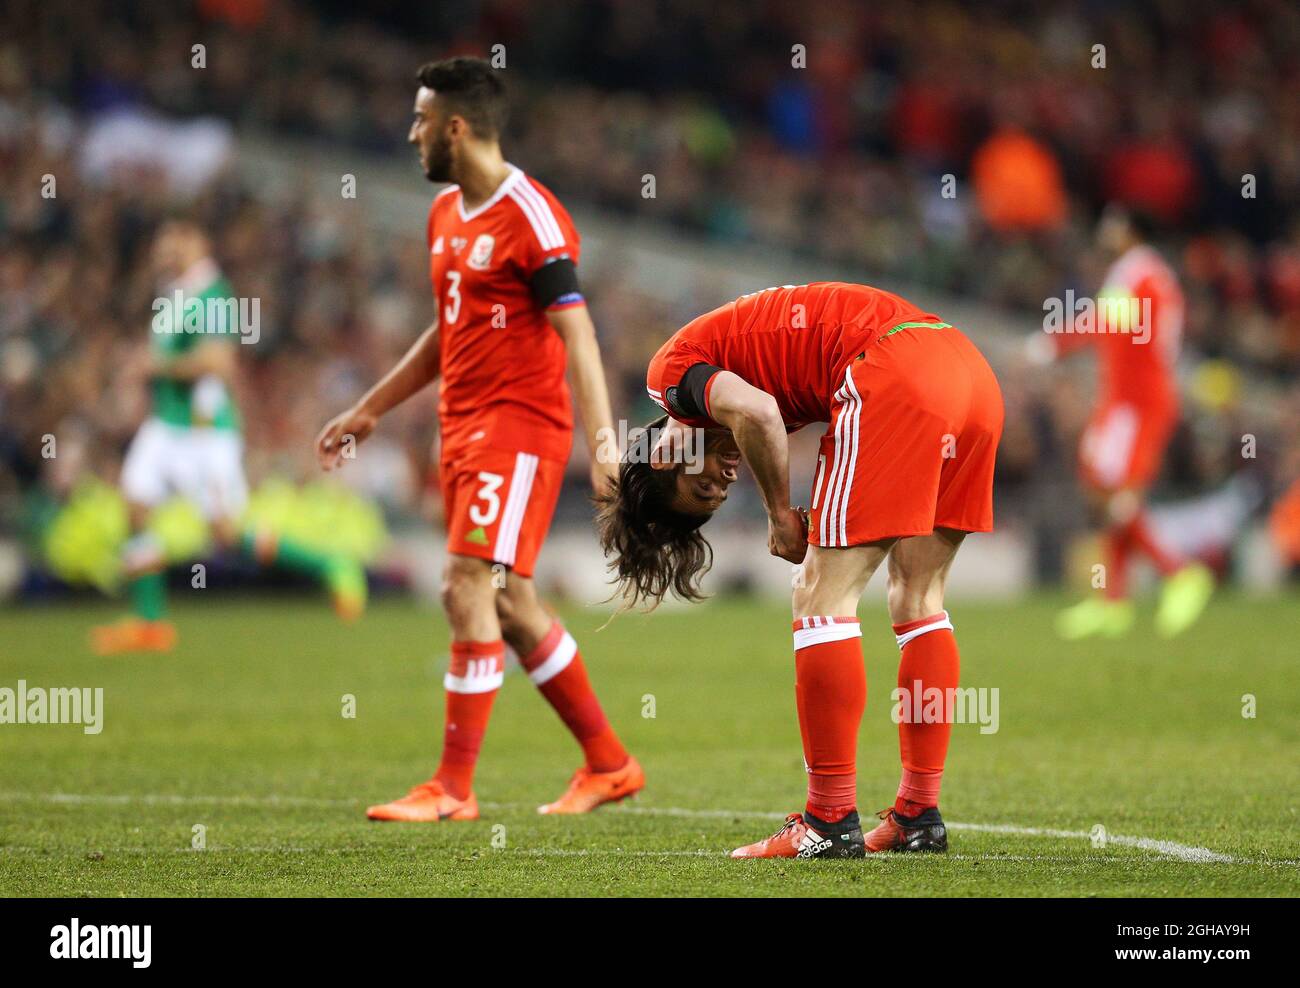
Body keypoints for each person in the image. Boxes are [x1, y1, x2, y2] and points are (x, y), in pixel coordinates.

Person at [317, 56, 642, 821]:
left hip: (519, 429)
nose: (411, 135)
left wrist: (603, 448)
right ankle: (611, 763)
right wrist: (372, 407)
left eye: (421, 121)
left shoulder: (531, 216)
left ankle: (451, 790)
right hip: (460, 428)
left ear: (455, 128)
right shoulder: (443, 216)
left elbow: (580, 335)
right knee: (511, 603)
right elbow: (447, 330)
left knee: (465, 584)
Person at [597, 281, 1003, 858]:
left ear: (665, 454)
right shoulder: (717, 387)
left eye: (703, 482)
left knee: (819, 596)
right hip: (968, 371)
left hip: (895, 365)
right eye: (715, 495)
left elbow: (759, 412)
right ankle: (918, 816)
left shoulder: (669, 377)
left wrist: (781, 517)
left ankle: (828, 821)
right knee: (918, 597)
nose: (723, 482)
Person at [92, 219, 366, 655]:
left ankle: (330, 562)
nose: (163, 248)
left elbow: (220, 364)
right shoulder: (172, 294)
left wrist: (152, 366)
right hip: (166, 426)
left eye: (173, 240)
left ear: (197, 242)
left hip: (205, 433)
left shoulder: (214, 294)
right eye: (161, 240)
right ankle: (149, 622)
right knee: (135, 505)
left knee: (227, 533)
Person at [1031, 204, 1213, 639]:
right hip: (1125, 401)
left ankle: (1180, 574)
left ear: (1132, 231)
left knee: (1116, 497)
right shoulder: (1146, 275)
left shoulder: (1139, 275)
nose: (1105, 231)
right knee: (1102, 490)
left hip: (1136, 404)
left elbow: (1104, 323)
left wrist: (1052, 345)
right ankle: (1113, 601)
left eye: (1114, 224)